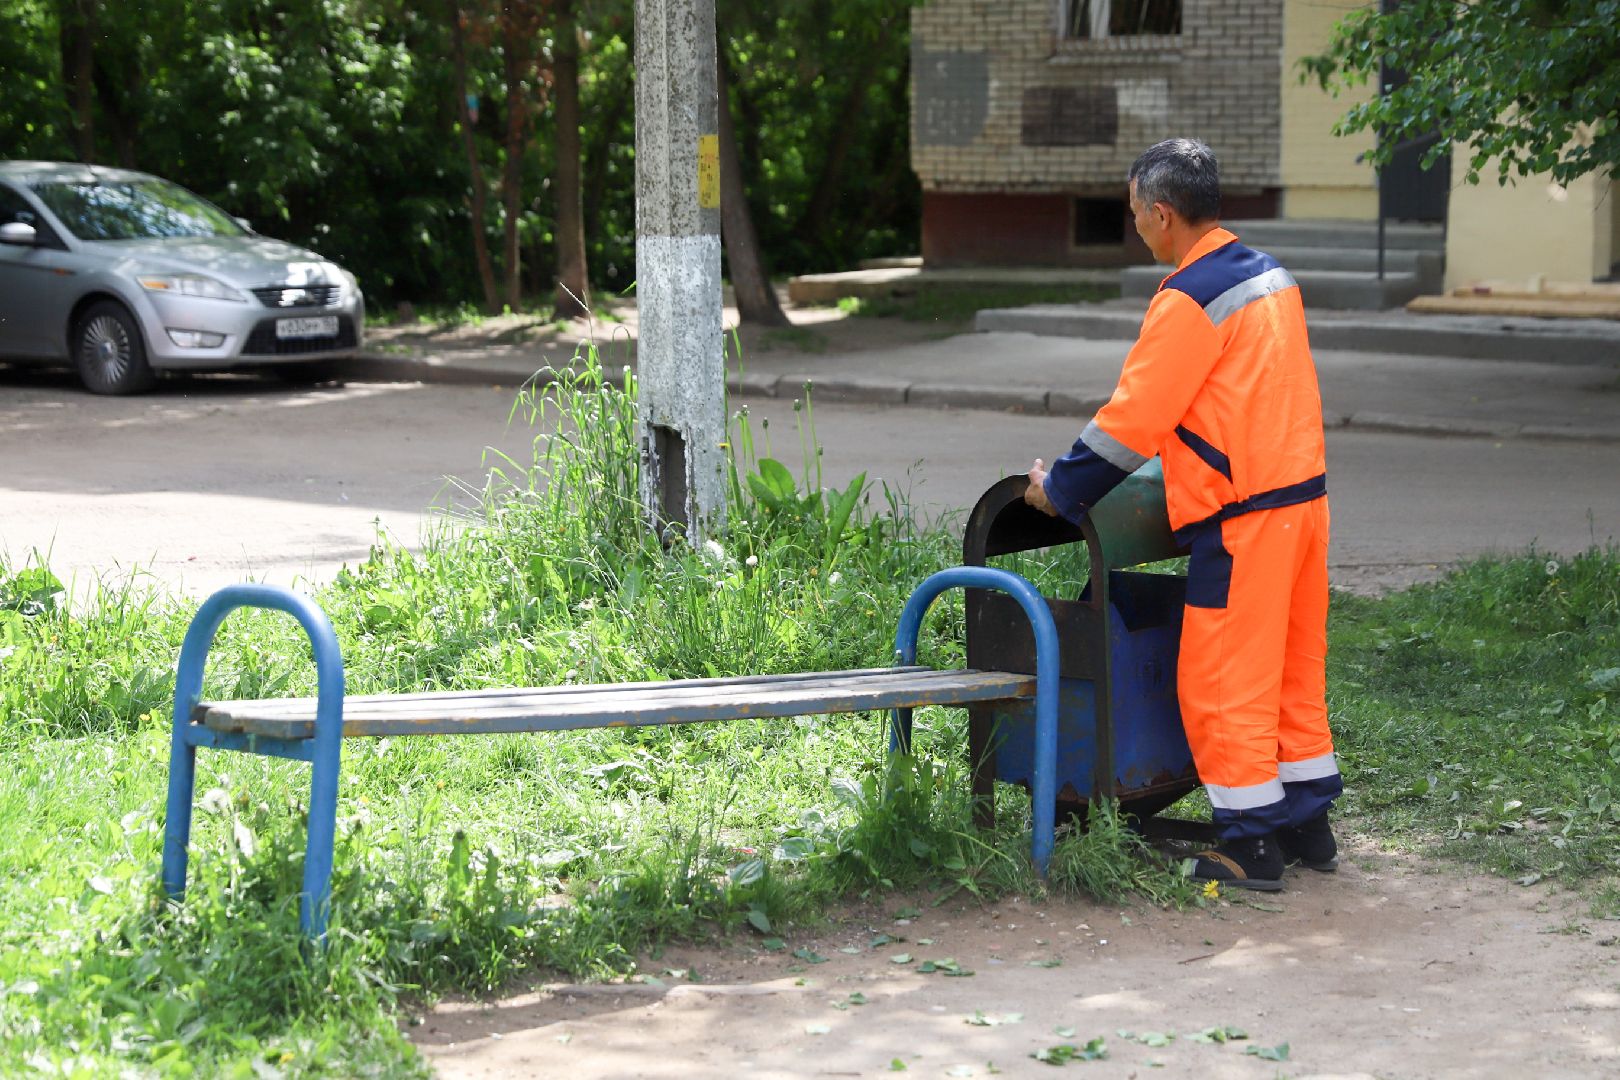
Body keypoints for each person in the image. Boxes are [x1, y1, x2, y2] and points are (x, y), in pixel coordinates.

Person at [1023, 138, 1341, 891]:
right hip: (1303, 507)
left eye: (1134, 213)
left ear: (1163, 215)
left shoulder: (1187, 299)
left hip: (1243, 519)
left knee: (1224, 679)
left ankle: (1249, 847)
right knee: (1291, 673)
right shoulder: (1272, 277)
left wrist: (1057, 491)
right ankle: (1306, 825)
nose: (1135, 225)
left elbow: (1131, 422)